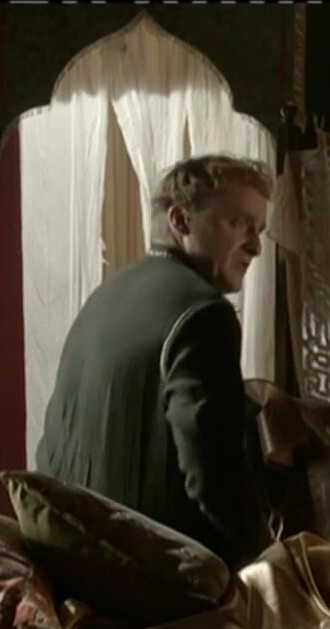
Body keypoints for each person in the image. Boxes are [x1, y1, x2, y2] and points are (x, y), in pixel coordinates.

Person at [36, 154, 275, 570]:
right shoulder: (204, 313)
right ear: (180, 221)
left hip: (65, 560)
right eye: (239, 224)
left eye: (259, 230)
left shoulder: (102, 298)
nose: (255, 247)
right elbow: (215, 479)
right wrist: (270, 560)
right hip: (145, 575)